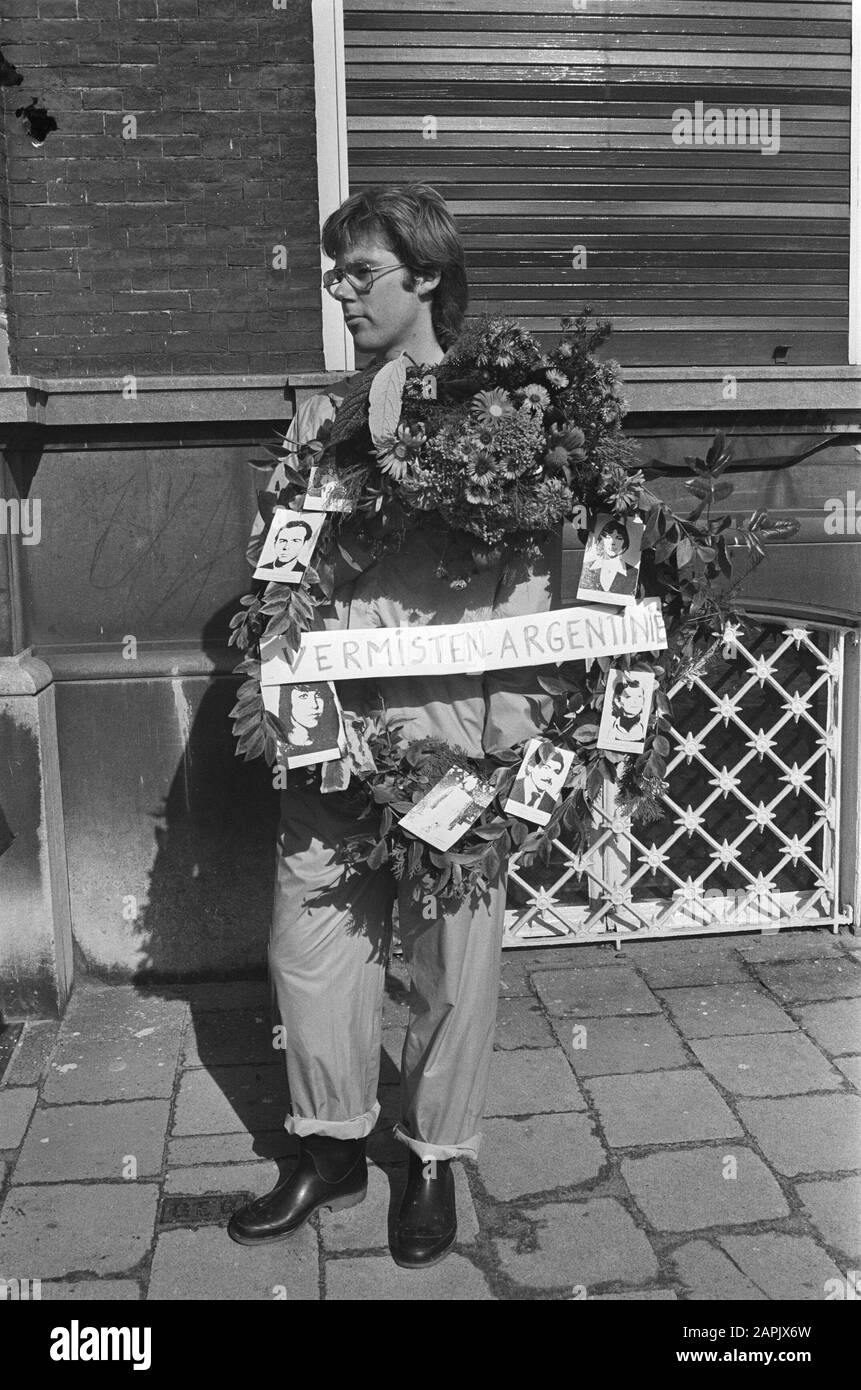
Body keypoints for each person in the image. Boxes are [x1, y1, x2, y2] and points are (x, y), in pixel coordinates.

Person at [229, 183, 560, 1269]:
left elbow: (526, 583)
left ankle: (426, 1155)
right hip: (333, 722)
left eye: (358, 272)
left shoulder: (507, 414)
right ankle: (327, 1145)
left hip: (453, 724)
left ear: (425, 274)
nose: (340, 291)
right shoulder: (324, 412)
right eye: (332, 273)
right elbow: (288, 560)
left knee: (450, 955)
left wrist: (517, 737)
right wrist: (290, 696)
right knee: (311, 942)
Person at [578, 518, 639, 600]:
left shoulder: (633, 573)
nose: (613, 542)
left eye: (619, 538)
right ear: (601, 539)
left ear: (625, 542)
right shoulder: (587, 567)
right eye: (608, 537)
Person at [278, 682, 340, 755]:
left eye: (318, 695)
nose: (314, 705)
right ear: (288, 702)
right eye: (303, 696)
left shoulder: (328, 741)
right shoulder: (278, 749)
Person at [512, 748, 567, 816]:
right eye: (546, 768)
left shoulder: (552, 802)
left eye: (556, 771)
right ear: (531, 766)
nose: (550, 776)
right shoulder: (512, 786)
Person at [608, 673, 649, 744]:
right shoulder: (610, 729)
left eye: (639, 697)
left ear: (643, 700)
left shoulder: (645, 728)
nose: (635, 702)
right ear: (618, 701)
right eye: (628, 697)